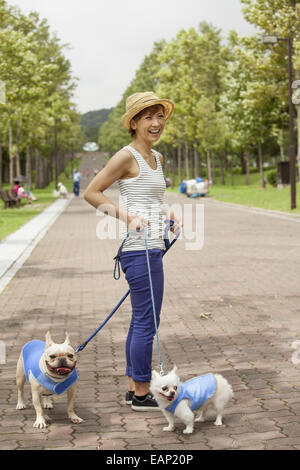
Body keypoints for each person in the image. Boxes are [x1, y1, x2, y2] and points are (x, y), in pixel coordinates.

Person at [84, 91, 181, 411]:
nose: (156, 123)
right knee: (146, 323)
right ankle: (142, 393)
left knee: (141, 320)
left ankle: (133, 387)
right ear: (134, 122)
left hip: (153, 246)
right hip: (138, 250)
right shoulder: (126, 156)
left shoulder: (158, 157)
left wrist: (165, 214)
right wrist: (126, 217)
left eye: (159, 116)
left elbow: (149, 199)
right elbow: (92, 192)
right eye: (148, 117)